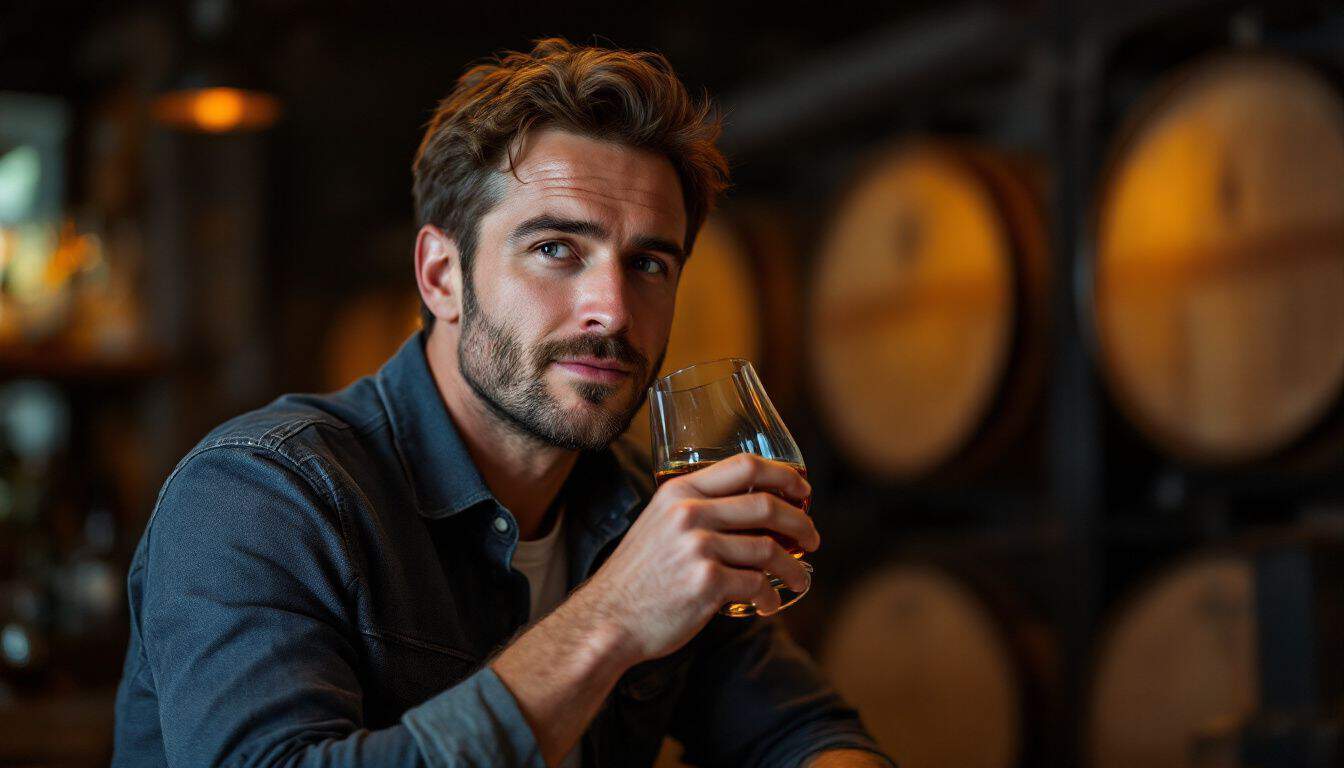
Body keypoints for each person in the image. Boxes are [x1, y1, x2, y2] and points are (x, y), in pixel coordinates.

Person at [112, 38, 894, 768]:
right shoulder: (259, 495)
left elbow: (804, 732)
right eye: (557, 249)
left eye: (649, 263)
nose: (612, 310)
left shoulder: (631, 507)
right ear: (441, 275)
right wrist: (616, 616)